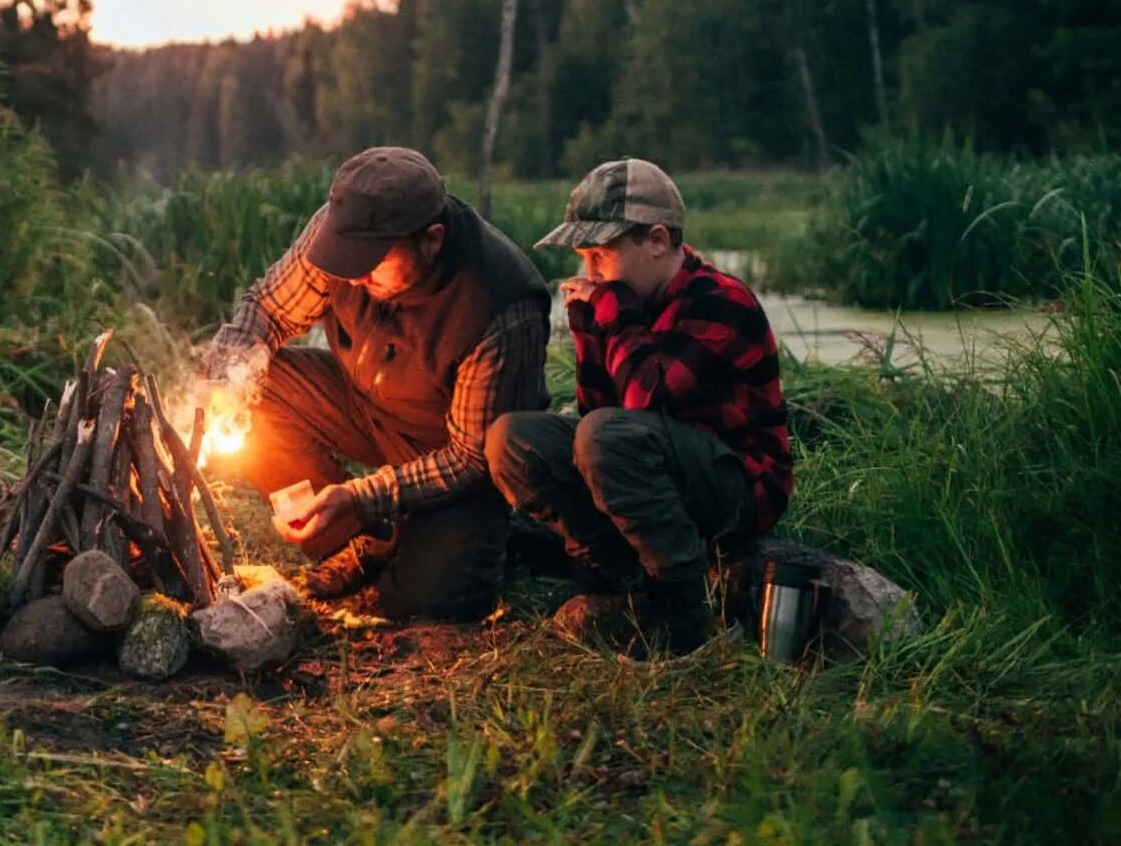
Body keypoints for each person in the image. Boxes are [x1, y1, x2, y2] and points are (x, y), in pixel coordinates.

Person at [198, 147, 551, 619]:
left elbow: (470, 458)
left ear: (432, 239)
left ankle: (509, 537)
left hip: (455, 456)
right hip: (366, 406)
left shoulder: (498, 304)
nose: (356, 274)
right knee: (261, 390)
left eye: (373, 261)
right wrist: (227, 378)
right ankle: (366, 536)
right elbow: (267, 308)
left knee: (426, 601)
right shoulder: (343, 238)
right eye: (349, 257)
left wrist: (363, 495)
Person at [485, 157, 791, 656]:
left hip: (739, 486)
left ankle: (681, 603)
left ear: (656, 240)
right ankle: (609, 573)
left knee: (610, 435)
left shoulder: (720, 300)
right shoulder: (625, 300)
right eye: (585, 258)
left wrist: (610, 310)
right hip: (658, 465)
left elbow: (645, 403)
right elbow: (596, 413)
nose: (590, 273)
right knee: (513, 439)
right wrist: (589, 328)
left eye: (602, 255)